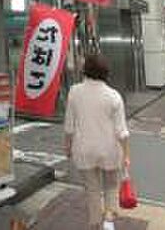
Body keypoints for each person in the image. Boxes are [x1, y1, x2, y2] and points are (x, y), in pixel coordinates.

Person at [65, 55, 130, 230]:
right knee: (111, 186)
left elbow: (69, 125)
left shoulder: (74, 92)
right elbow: (122, 131)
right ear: (105, 72)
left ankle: (94, 224)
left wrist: (67, 146)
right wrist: (126, 155)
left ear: (85, 70)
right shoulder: (114, 96)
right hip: (110, 150)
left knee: (92, 190)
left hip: (83, 149)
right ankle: (108, 221)